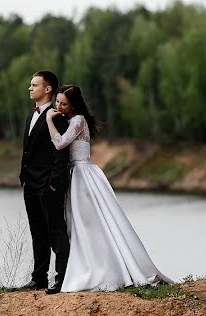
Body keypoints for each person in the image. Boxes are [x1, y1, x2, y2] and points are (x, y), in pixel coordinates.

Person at [45, 85, 172, 292]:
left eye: (63, 103)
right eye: (57, 101)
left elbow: (60, 144)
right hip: (75, 174)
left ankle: (101, 269)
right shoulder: (72, 120)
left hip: (81, 175)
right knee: (82, 224)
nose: (58, 106)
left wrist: (50, 120)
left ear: (73, 105)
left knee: (88, 224)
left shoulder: (77, 120)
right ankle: (91, 265)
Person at [19, 71, 71, 294]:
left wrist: (53, 183)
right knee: (37, 231)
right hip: (30, 184)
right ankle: (39, 277)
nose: (30, 88)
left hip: (48, 185)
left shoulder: (56, 116)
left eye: (34, 85)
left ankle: (62, 278)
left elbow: (62, 152)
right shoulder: (31, 116)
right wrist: (23, 177)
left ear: (47, 89)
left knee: (56, 231)